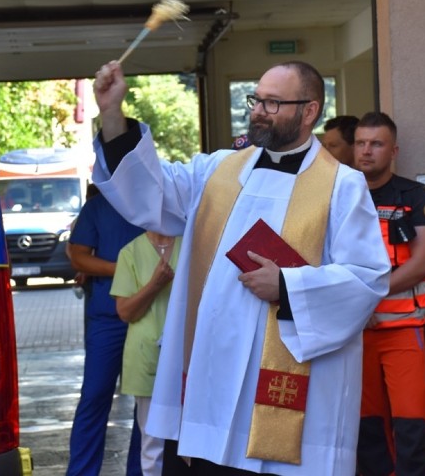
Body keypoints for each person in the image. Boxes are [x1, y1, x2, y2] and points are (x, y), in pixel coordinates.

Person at [90, 59, 390, 475]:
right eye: (256, 99)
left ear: (309, 111)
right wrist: (111, 115)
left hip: (289, 381)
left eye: (272, 102)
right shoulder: (216, 171)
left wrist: (286, 285)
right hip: (215, 367)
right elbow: (150, 193)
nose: (258, 111)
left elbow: (367, 278)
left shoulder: (342, 185)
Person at [353, 112, 425, 476]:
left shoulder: (414, 195)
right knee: (367, 433)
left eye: (376, 144)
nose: (366, 151)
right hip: (354, 334)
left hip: (404, 330)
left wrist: (366, 299)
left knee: (411, 429)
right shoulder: (339, 194)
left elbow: (421, 264)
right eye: (360, 143)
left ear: (394, 150)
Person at [66, 188, 145, 476]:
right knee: (95, 395)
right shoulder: (99, 207)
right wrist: (127, 268)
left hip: (152, 313)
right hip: (107, 316)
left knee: (146, 400)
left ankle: (140, 471)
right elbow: (78, 257)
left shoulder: (159, 202)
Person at [111, 231, 181, 476]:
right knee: (153, 444)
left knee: (191, 438)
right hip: (146, 356)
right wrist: (155, 285)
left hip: (189, 356)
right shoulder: (130, 252)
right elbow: (126, 312)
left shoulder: (191, 244)